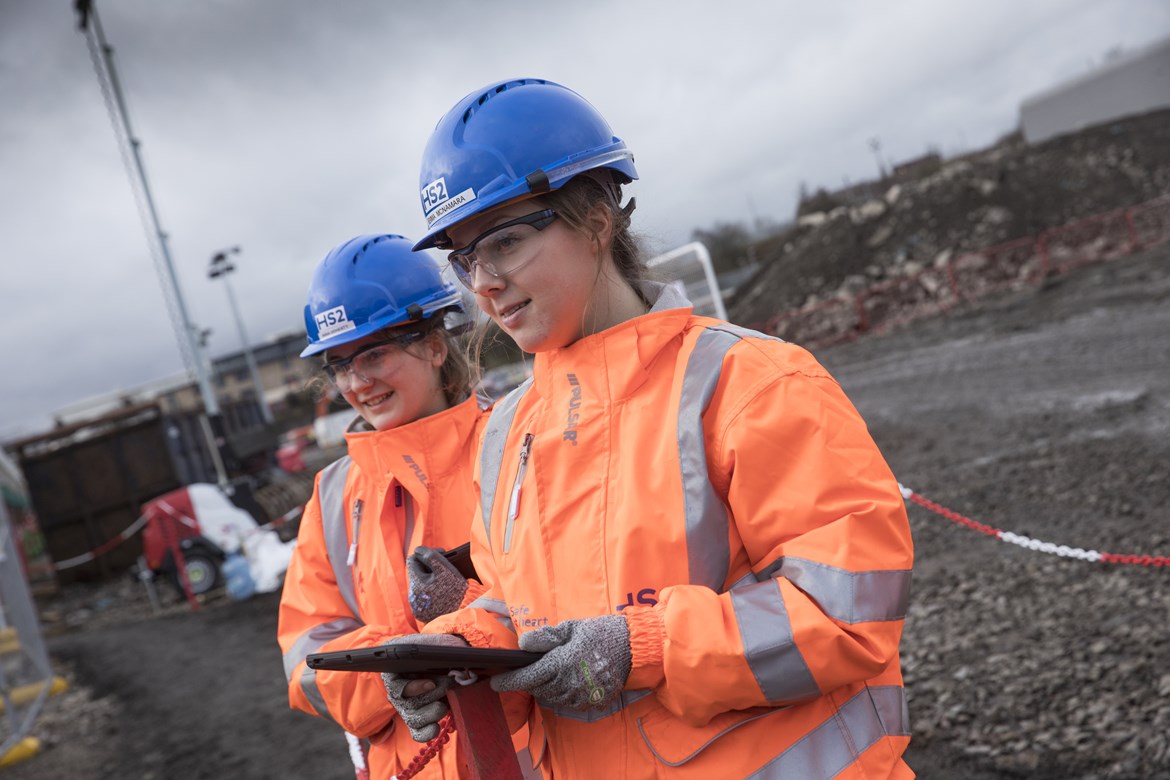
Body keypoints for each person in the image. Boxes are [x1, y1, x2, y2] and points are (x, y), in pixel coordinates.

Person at [385, 79, 916, 779]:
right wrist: (456, 653)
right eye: (463, 258)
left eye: (504, 242)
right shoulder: (509, 429)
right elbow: (517, 607)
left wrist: (646, 646)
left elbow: (846, 612)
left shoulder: (749, 381)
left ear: (596, 217)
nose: (483, 282)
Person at [278, 234, 527, 779]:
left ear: (435, 345)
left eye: (374, 354)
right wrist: (394, 669)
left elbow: (567, 594)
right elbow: (305, 656)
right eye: (339, 365)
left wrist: (465, 621)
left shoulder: (516, 441)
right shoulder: (333, 494)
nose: (357, 382)